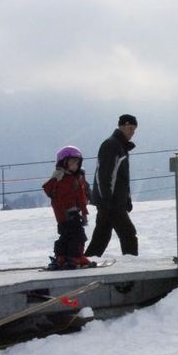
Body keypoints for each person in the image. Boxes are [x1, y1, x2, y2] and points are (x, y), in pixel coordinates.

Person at [85, 114, 138, 257]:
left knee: (102, 235)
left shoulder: (121, 146)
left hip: (114, 201)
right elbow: (104, 175)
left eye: (134, 129)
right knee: (128, 234)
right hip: (111, 202)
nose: (132, 132)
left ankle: (87, 260)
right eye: (130, 128)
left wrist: (127, 198)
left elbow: (122, 178)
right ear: (121, 127)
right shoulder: (111, 145)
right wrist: (107, 199)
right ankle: (131, 264)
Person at [42, 146, 94, 270]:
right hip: (67, 213)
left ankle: (62, 256)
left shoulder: (74, 177)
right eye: (72, 162)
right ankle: (75, 257)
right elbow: (52, 192)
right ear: (63, 163)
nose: (75, 165)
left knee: (66, 235)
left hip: (69, 213)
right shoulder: (62, 178)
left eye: (77, 163)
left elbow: (81, 195)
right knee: (78, 236)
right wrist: (56, 178)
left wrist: (83, 211)